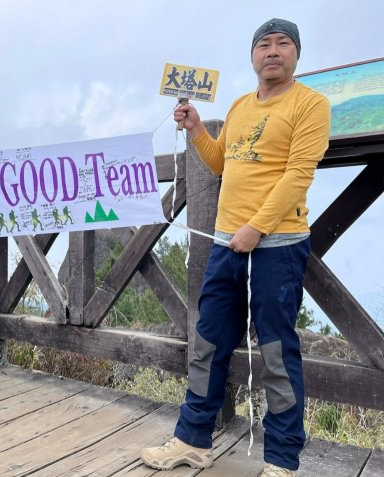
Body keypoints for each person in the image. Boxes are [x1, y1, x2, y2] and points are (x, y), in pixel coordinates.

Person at [141, 19, 330, 477]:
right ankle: (192, 440)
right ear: (252, 56)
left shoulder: (312, 104)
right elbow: (219, 158)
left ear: (296, 54)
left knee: (275, 351)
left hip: (278, 245)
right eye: (263, 44)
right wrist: (194, 130)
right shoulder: (242, 104)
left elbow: (299, 175)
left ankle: (282, 460)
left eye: (283, 43)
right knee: (208, 341)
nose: (272, 51)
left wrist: (257, 228)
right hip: (228, 242)